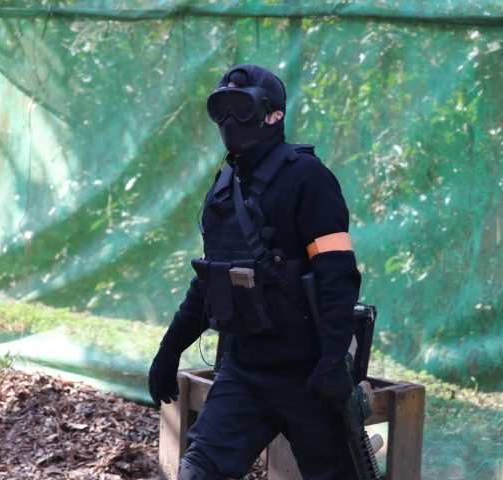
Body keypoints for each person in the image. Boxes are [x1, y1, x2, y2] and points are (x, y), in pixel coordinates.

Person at [148, 64, 362, 480]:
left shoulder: (308, 178)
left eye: (241, 107)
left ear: (274, 114)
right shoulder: (226, 183)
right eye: (221, 108)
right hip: (244, 368)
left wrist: (333, 360)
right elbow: (209, 281)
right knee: (197, 472)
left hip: (307, 373)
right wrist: (169, 350)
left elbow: (338, 276)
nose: (230, 120)